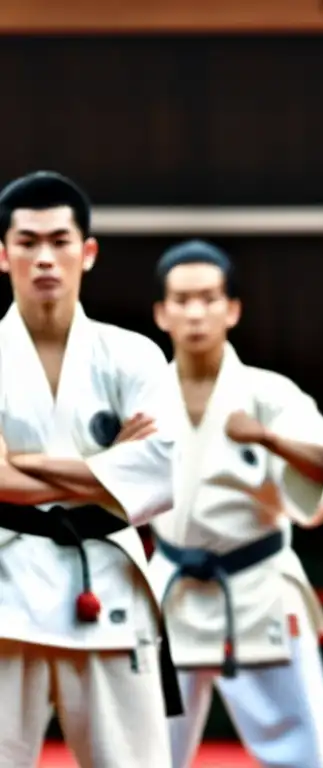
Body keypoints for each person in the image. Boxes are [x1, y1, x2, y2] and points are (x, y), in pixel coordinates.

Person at [0, 170, 182, 768]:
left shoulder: (134, 355)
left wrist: (20, 462)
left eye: (59, 240)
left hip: (106, 584)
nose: (45, 257)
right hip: (6, 589)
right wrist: (109, 467)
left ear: (88, 251)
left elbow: (160, 474)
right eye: (28, 242)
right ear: (3, 254)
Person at [149, 239, 323, 768]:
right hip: (173, 588)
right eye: (182, 300)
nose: (195, 312)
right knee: (146, 750)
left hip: (258, 586)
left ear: (232, 309)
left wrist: (268, 439)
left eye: (209, 298)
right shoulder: (141, 397)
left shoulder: (268, 393)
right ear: (161, 312)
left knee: (305, 752)